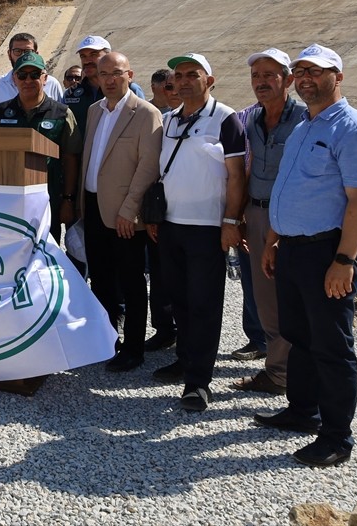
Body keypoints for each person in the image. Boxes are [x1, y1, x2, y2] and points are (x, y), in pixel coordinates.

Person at [254, 44, 357, 468]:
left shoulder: (355, 130)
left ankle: (336, 437)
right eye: (301, 70)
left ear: (338, 76)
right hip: (293, 250)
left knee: (332, 346)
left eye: (317, 70)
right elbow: (288, 188)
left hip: (326, 253)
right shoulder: (305, 126)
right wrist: (273, 240)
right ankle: (302, 411)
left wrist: (344, 262)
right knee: (299, 336)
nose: (307, 77)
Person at [146, 53, 246, 413]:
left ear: (210, 80)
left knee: (204, 304)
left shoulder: (226, 119)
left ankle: (199, 382)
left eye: (193, 74)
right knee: (180, 301)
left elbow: (236, 176)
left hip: (206, 228)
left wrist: (232, 221)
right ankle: (185, 360)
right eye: (179, 75)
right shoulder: (170, 120)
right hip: (171, 226)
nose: (184, 81)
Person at [79, 52, 162, 372]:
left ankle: (134, 348)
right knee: (99, 279)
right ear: (96, 77)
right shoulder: (94, 111)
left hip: (125, 215)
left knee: (130, 281)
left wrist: (130, 211)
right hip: (95, 209)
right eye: (103, 74)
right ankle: (106, 339)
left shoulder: (145, 113)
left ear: (130, 74)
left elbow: (148, 166)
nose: (109, 80)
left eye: (116, 73)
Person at [230, 48, 306, 396]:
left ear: (288, 80)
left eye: (269, 76)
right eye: (255, 76)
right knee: (265, 300)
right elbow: (246, 172)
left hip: (292, 221)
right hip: (257, 215)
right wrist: (240, 216)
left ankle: (300, 378)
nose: (260, 83)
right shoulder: (251, 121)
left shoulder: (305, 121)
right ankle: (278, 374)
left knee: (293, 300)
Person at [0, 52, 81, 242]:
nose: (28, 80)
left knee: (44, 255)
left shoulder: (61, 114)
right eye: (22, 75)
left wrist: (68, 200)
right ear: (15, 79)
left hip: (47, 200)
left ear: (45, 78)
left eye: (34, 74)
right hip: (8, 199)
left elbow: (71, 159)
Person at [144, 66, 178, 351]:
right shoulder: (152, 117)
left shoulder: (214, 118)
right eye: (168, 86)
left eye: (175, 85)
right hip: (160, 206)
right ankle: (165, 327)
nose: (174, 91)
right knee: (160, 270)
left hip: (191, 210)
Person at [68, 35, 146, 136]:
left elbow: (142, 124)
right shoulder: (71, 94)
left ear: (108, 56)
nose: (87, 61)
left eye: (93, 54)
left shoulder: (131, 89)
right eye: (83, 56)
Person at [0, 33, 67, 107]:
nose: (23, 56)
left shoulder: (52, 84)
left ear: (36, 54)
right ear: (9, 54)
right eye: (17, 51)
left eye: (28, 51)